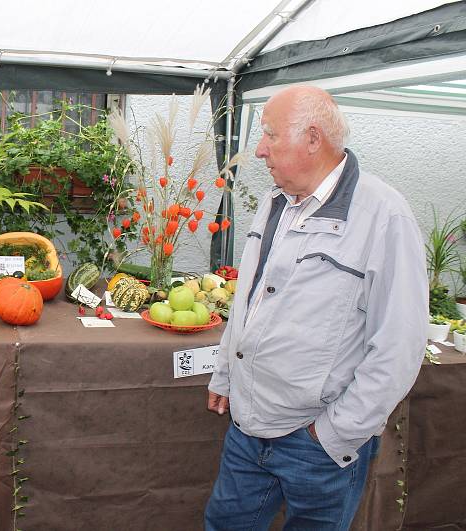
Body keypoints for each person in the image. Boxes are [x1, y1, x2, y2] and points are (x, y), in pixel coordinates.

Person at [204, 85, 428, 530]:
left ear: (312, 138)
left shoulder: (384, 216)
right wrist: (227, 373)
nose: (260, 150)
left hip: (316, 440)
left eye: (269, 135)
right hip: (248, 427)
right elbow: (249, 298)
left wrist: (333, 433)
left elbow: (399, 346)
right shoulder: (275, 202)